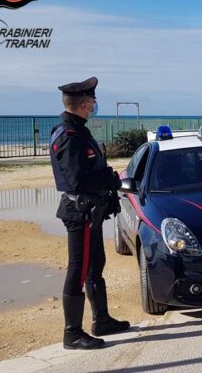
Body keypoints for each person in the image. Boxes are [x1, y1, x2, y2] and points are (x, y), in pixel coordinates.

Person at [50, 76, 130, 350]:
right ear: (85, 104)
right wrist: (108, 181)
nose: (95, 105)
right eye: (93, 102)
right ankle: (72, 332)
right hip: (80, 213)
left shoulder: (79, 130)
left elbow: (90, 170)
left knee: (96, 265)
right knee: (79, 269)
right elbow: (76, 181)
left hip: (92, 211)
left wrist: (107, 177)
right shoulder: (70, 135)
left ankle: (102, 319)